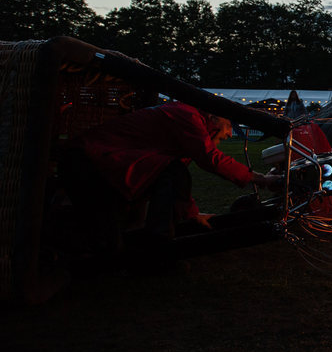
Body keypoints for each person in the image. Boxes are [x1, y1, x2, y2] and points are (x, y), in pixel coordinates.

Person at [58, 101, 281, 254]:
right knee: (106, 245)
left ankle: (154, 242)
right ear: (213, 117)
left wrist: (192, 214)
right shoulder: (187, 116)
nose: (231, 133)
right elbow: (210, 159)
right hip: (90, 162)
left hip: (101, 163)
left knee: (111, 243)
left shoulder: (185, 121)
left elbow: (176, 178)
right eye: (229, 125)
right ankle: (159, 246)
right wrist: (260, 179)